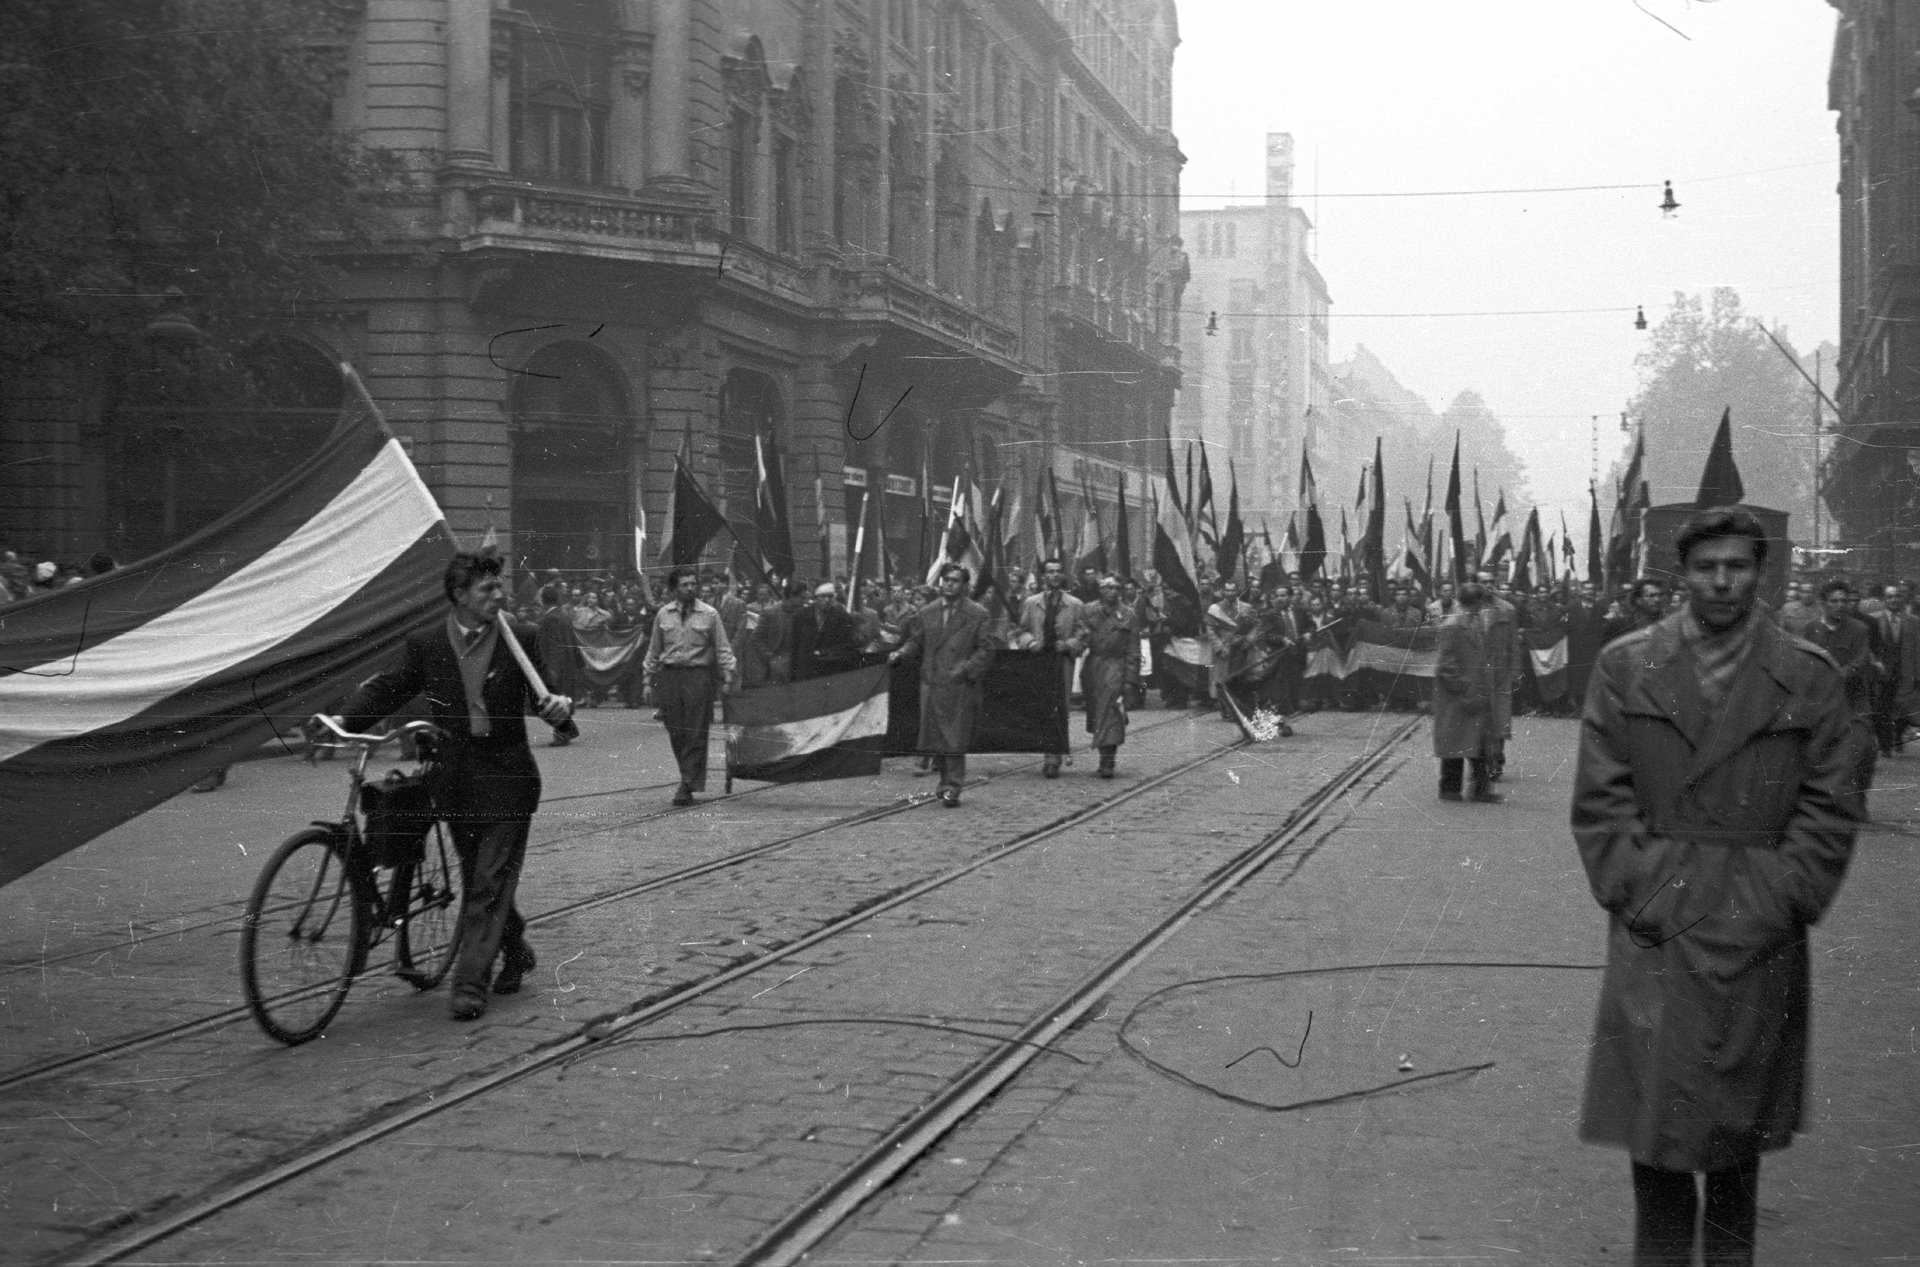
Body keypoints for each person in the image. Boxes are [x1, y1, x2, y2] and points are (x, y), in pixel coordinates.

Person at [1572, 507, 1863, 1267]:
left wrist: (1776, 897)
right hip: (1656, 927)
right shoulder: (1627, 666)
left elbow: (1832, 805)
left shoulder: (1806, 674)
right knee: (1657, 1132)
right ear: (1684, 574)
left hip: (1758, 929)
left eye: (1737, 566)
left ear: (1760, 573)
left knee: (1738, 1138)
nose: (1722, 580)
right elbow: (1601, 801)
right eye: (1707, 567)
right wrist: (1646, 893)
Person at [323, 552, 573, 1021]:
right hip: (454, 779)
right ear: (459, 596)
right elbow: (391, 687)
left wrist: (558, 707)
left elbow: (548, 695)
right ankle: (515, 951)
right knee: (486, 879)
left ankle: (469, 985)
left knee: (485, 882)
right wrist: (346, 718)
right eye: (487, 589)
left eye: (499, 587)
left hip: (507, 779)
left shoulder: (521, 637)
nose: (499, 596)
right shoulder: (427, 643)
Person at [890, 563, 999, 807]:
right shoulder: (927, 612)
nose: (949, 584)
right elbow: (916, 641)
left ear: (964, 585)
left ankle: (952, 786)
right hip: (931, 682)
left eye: (955, 580)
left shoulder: (977, 613)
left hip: (957, 684)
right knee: (936, 737)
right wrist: (900, 653)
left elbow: (986, 648)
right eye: (946, 579)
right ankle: (944, 782)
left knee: (954, 738)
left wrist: (965, 669)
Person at [642, 565, 737, 807]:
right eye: (684, 585)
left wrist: (728, 675)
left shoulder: (710, 614)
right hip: (670, 677)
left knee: (695, 732)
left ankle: (686, 783)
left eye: (693, 584)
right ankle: (688, 777)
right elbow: (654, 650)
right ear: (674, 588)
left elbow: (723, 647)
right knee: (676, 731)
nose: (690, 588)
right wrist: (647, 681)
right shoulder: (663, 615)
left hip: (698, 677)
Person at [1432, 574, 1505, 803]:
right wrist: (1463, 688)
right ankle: (1450, 789)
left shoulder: (1473, 622)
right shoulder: (1452, 626)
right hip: (1458, 698)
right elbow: (1444, 667)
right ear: (1472, 603)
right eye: (1479, 604)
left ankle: (1480, 790)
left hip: (1474, 695)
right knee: (1456, 746)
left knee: (1479, 744)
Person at [1016, 558, 1088, 777]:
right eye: (1050, 572)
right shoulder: (1031, 603)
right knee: (1043, 706)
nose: (1055, 575)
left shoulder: (1075, 605)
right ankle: (1048, 752)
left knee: (1060, 708)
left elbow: (1083, 634)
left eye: (1058, 571)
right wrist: (1030, 643)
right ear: (1043, 576)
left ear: (1063, 576)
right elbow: (1020, 630)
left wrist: (1068, 644)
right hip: (1039, 661)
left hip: (1062, 661)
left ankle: (1053, 757)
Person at [1081, 575, 1142, 777]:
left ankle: (1108, 760)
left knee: (1112, 713)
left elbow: (1134, 650)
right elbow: (1080, 636)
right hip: (1093, 667)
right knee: (1097, 714)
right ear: (1100, 589)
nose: (1113, 591)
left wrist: (1131, 680)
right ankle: (1103, 754)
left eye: (1117, 587)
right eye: (1108, 587)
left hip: (1116, 666)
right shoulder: (1088, 610)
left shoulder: (1128, 614)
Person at [789, 580, 861, 681]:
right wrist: (792, 676)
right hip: (805, 674)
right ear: (815, 597)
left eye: (830, 596)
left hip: (830, 674)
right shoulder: (800, 616)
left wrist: (824, 652)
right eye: (822, 596)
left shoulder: (843, 618)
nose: (827, 600)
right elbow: (794, 648)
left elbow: (848, 646)